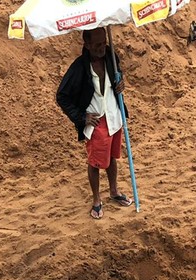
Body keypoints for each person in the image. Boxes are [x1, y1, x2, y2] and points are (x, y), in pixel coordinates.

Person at [56, 28, 133, 219]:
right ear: (87, 45)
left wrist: (120, 83)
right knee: (95, 162)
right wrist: (82, 117)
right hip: (97, 121)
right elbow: (62, 96)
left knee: (111, 157)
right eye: (97, 45)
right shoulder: (79, 67)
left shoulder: (111, 56)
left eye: (104, 42)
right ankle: (97, 199)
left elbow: (117, 78)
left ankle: (114, 191)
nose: (102, 48)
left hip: (114, 115)